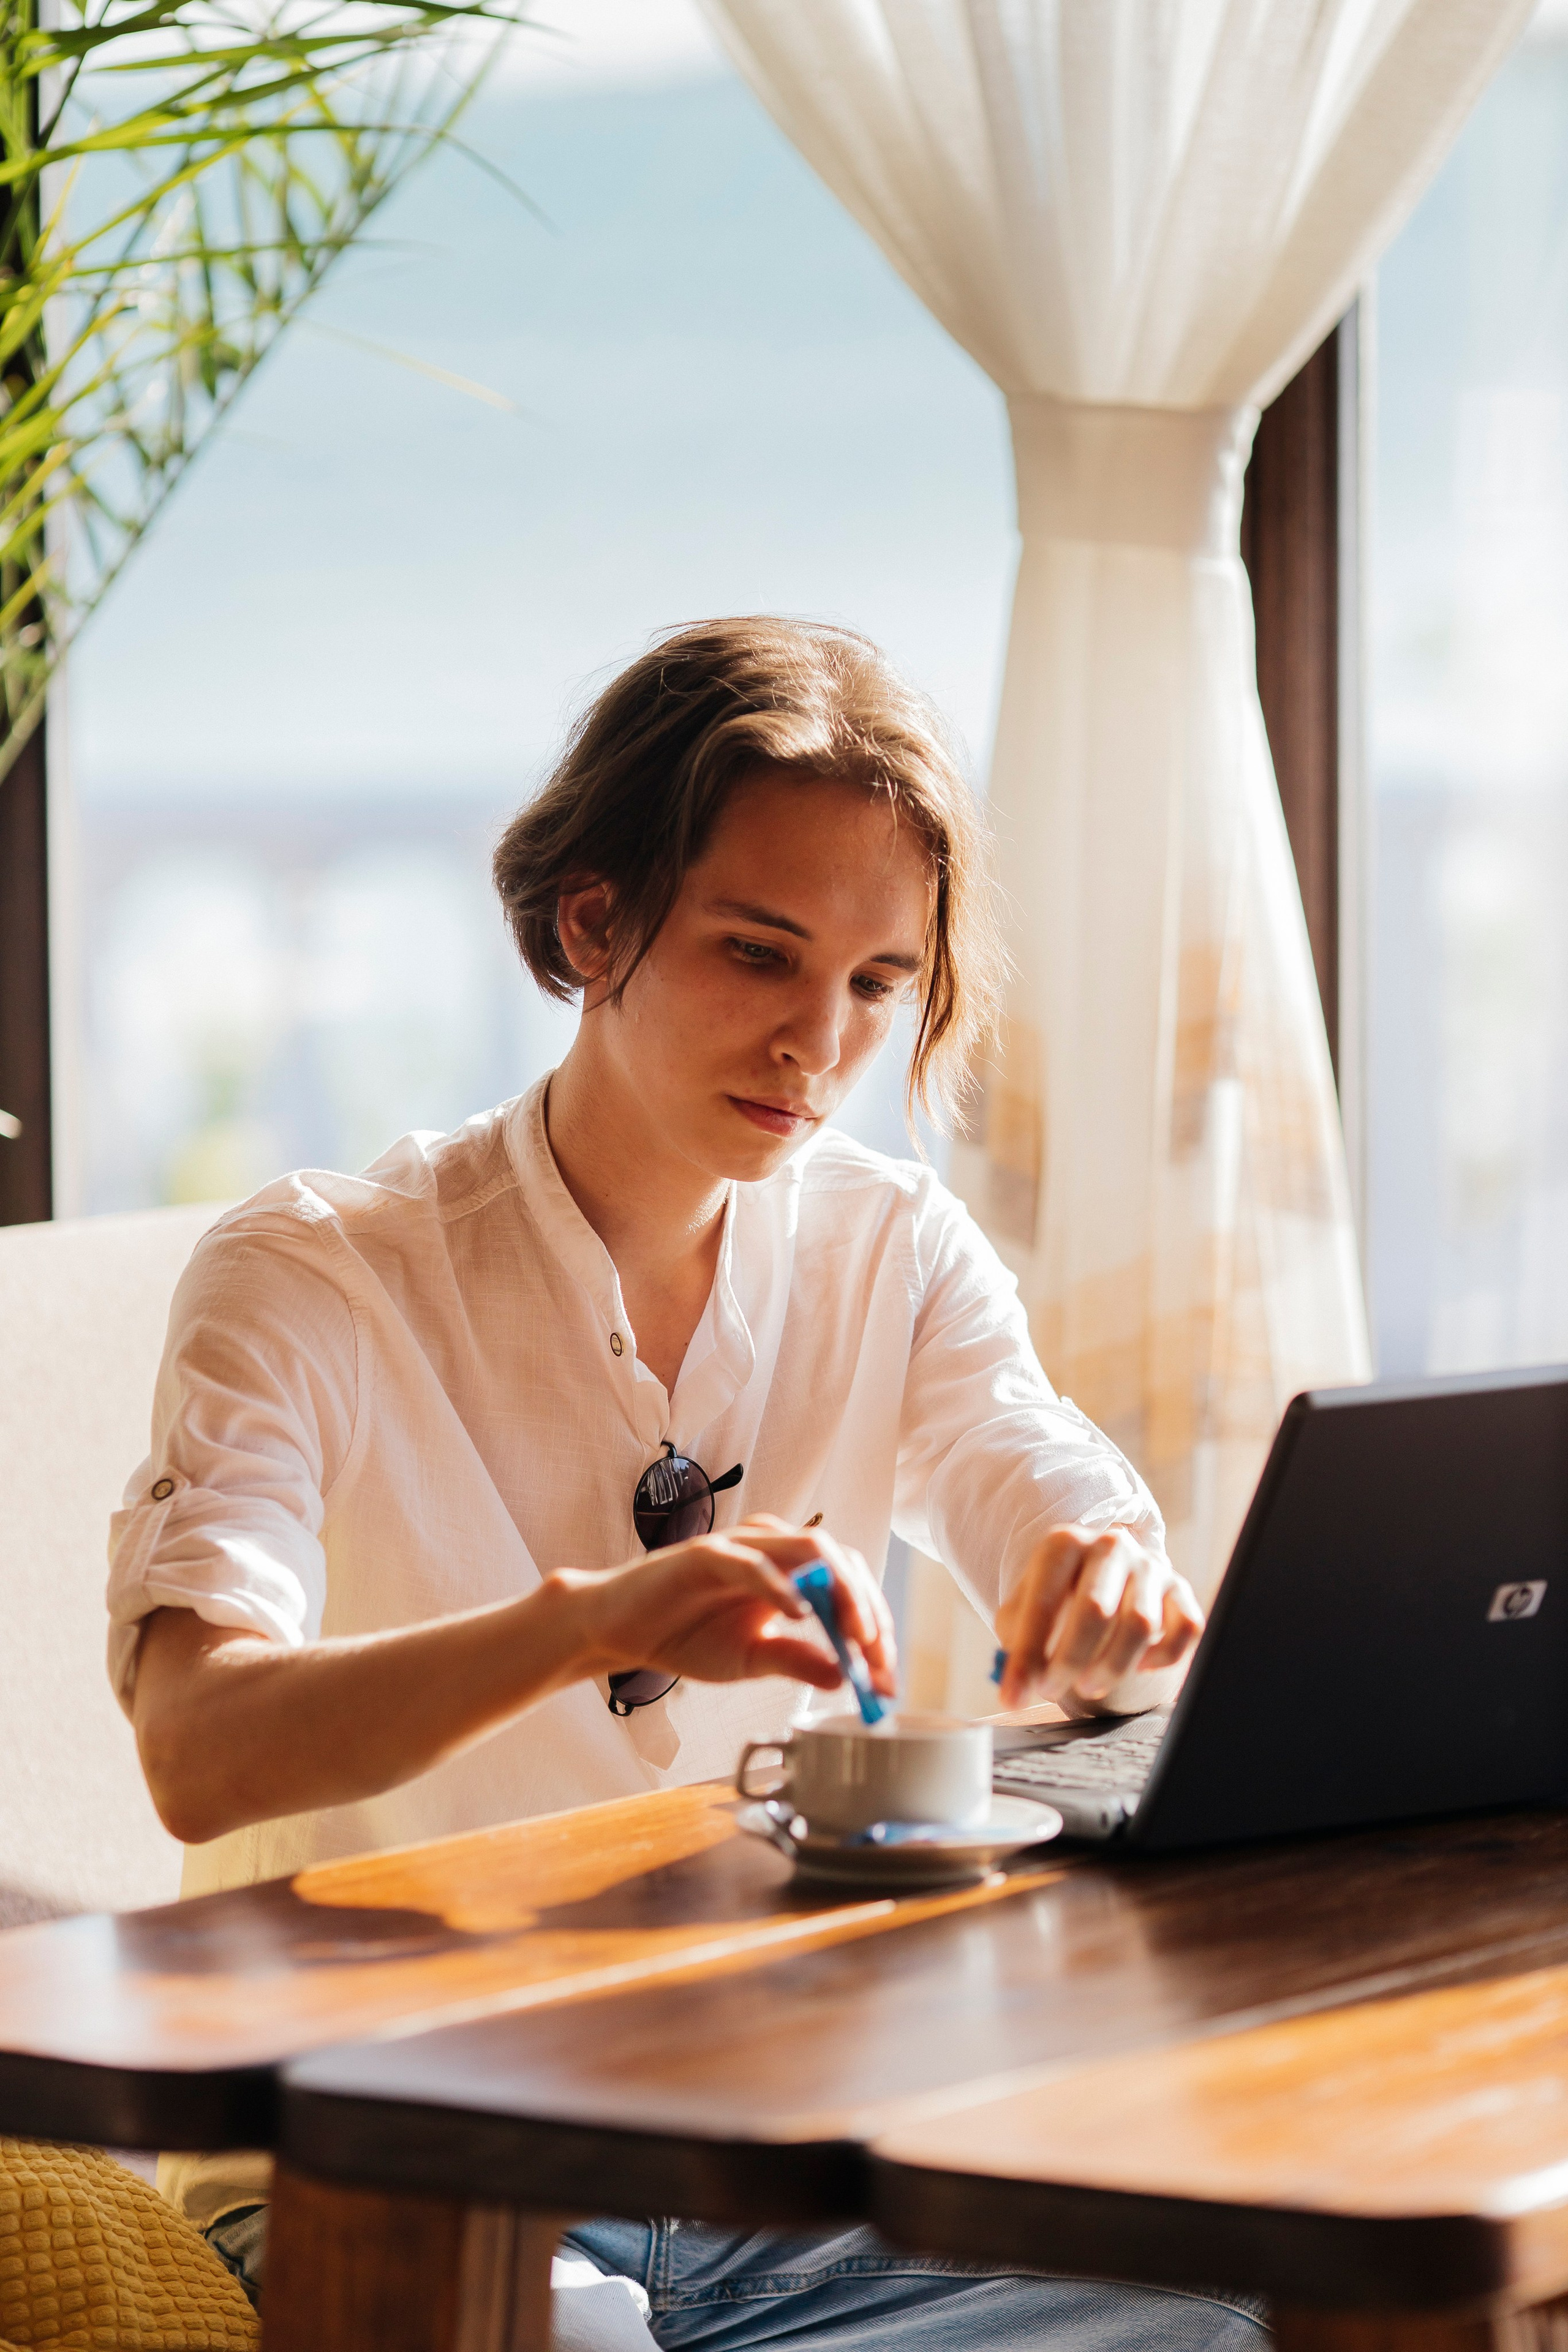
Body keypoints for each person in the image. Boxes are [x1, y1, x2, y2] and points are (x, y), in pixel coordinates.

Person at [108, 617, 1247, 2349]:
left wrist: (1093, 1582)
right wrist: (591, 1625)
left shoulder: (893, 1252)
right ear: (594, 923)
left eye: (876, 985)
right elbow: (200, 1749)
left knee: (1261, 2296)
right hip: (396, 2155)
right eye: (758, 954)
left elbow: (1027, 1471)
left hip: (771, 2150)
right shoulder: (318, 1275)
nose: (818, 1042)